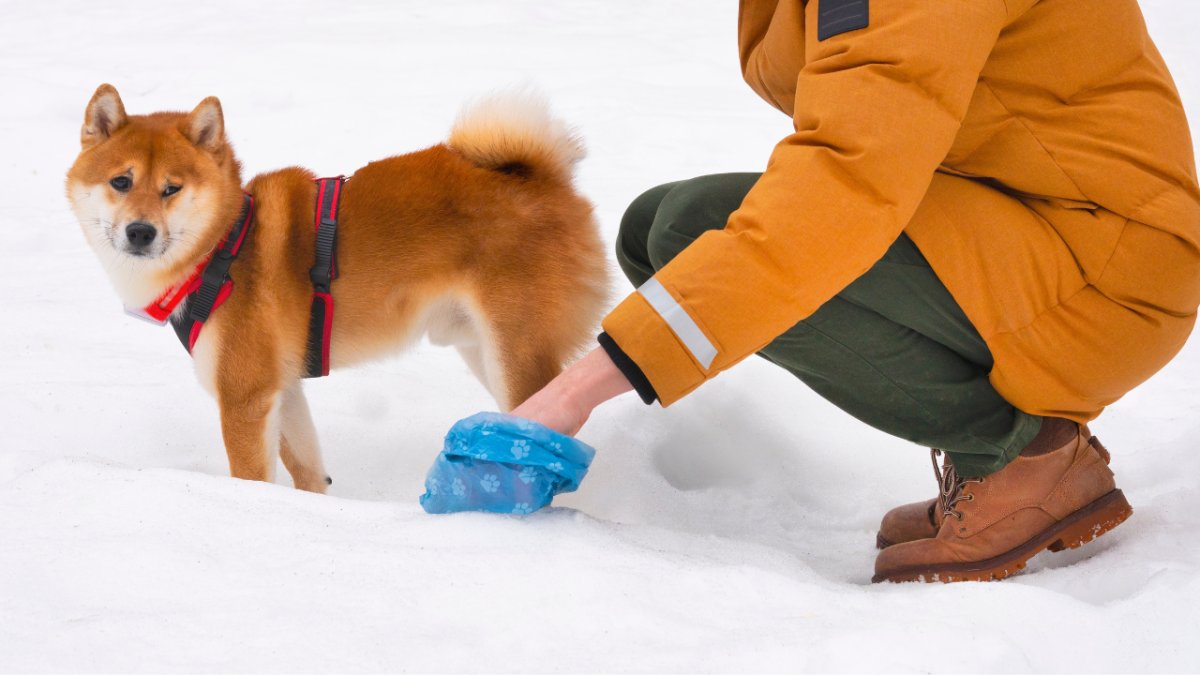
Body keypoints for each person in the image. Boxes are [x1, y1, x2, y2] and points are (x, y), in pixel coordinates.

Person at [512, 0, 1200, 582]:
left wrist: (575, 392)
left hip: (1108, 262)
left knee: (702, 235)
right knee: (659, 231)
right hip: (1031, 210)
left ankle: (1023, 456)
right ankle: (1015, 446)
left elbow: (845, 184)